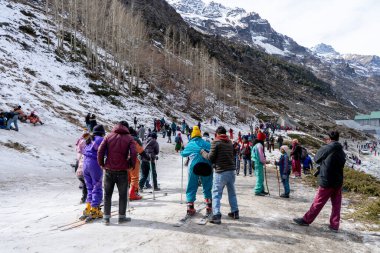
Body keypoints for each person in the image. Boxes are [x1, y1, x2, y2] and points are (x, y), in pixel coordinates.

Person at [293, 131, 346, 232]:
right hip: (338, 180)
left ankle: (306, 220)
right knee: (336, 204)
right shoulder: (341, 150)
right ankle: (334, 225)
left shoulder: (327, 147)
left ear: (329, 139)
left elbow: (316, 158)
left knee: (318, 202)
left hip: (327, 179)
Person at [97, 122, 137, 225]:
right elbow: (133, 152)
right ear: (127, 128)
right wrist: (131, 164)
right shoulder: (129, 138)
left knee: (107, 195)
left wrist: (101, 163)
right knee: (123, 195)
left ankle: (106, 218)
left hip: (109, 170)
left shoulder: (108, 136)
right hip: (122, 171)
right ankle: (121, 217)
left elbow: (100, 151)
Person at [201, 126, 239, 224]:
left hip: (221, 171)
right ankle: (235, 212)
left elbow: (210, 157)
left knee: (216, 194)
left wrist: (203, 152)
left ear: (217, 134)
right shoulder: (230, 142)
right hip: (231, 171)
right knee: (232, 193)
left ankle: (217, 215)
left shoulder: (216, 142)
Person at [181, 126, 213, 215]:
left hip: (194, 165)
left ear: (192, 135)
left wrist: (183, 149)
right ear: (199, 134)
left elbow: (183, 154)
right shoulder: (206, 143)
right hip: (207, 164)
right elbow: (213, 151)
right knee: (207, 185)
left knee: (192, 185)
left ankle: (190, 206)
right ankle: (209, 205)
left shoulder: (190, 144)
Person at [81, 125, 106, 222]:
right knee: (97, 186)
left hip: (85, 163)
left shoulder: (89, 139)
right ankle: (95, 210)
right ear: (102, 132)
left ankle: (88, 208)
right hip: (94, 164)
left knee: (89, 187)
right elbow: (106, 152)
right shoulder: (101, 139)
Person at [128, 127, 148, 201]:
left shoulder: (122, 138)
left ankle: (126, 192)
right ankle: (133, 193)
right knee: (134, 177)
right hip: (133, 159)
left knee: (127, 177)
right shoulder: (135, 139)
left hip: (123, 160)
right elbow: (141, 150)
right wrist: (147, 157)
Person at [75, 132, 90, 203]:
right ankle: (91, 199)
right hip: (85, 171)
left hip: (79, 172)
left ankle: (83, 198)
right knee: (90, 185)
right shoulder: (89, 150)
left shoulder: (80, 141)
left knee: (84, 184)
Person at [252, 131, 268, 196]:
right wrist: (264, 161)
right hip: (258, 163)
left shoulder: (255, 144)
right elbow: (261, 156)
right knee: (260, 177)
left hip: (255, 162)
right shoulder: (260, 145)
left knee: (260, 177)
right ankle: (257, 190)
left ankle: (261, 189)